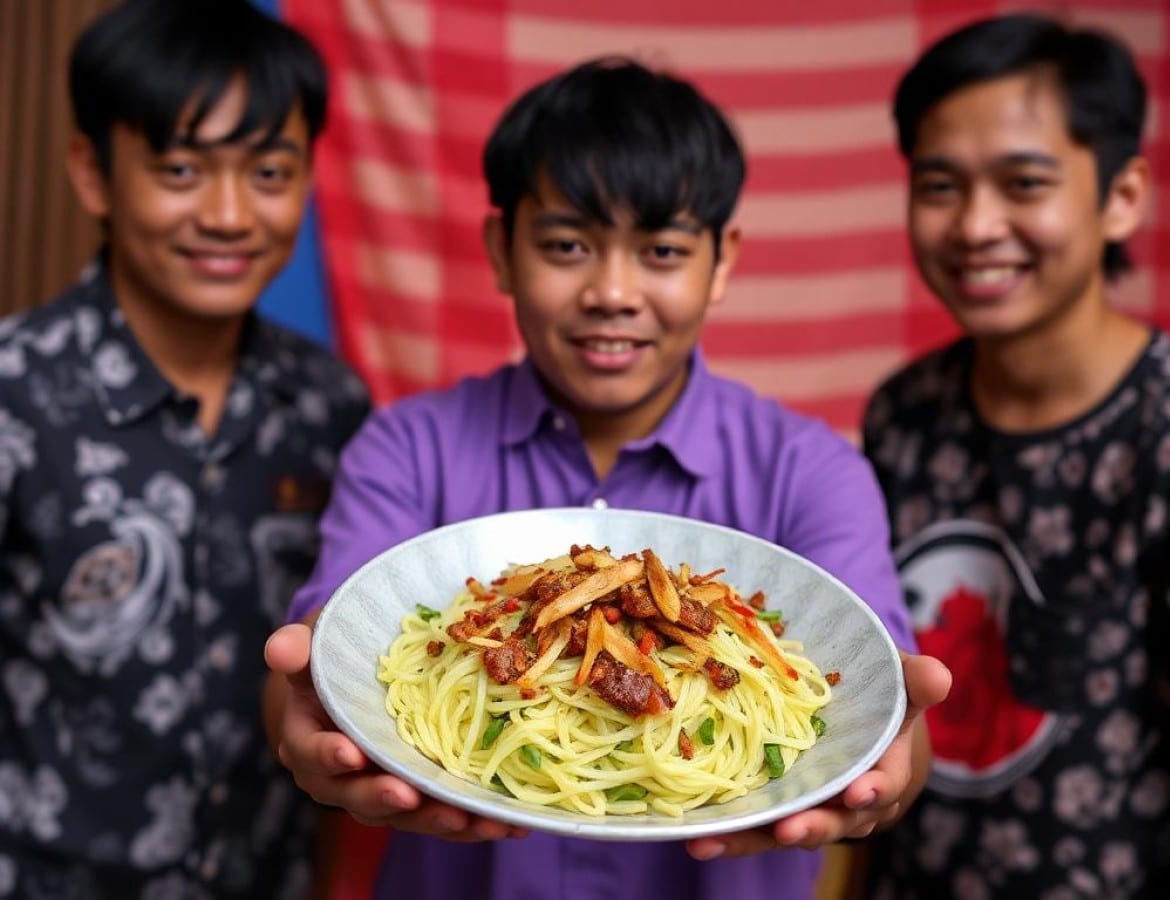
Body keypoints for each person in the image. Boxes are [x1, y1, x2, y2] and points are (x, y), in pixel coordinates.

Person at [263, 57, 951, 900]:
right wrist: (304, 705)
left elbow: (885, 719)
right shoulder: (406, 448)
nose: (613, 292)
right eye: (567, 246)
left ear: (722, 261)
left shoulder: (813, 470)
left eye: (661, 251)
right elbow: (319, 667)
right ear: (501, 250)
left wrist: (887, 762)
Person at [0, 1, 371, 896]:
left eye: (269, 171)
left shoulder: (332, 404)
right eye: (180, 170)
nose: (230, 213)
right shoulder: (15, 390)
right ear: (94, 173)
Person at [860, 13, 1170, 900]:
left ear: (1121, 195)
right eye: (940, 186)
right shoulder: (904, 413)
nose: (976, 225)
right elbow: (867, 700)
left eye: (1024, 183)